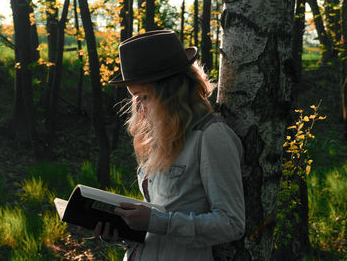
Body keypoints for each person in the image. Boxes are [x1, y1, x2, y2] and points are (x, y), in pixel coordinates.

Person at [94, 30, 245, 261]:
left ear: (170, 91)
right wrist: (121, 232)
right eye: (135, 98)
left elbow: (231, 223)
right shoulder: (163, 136)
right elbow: (156, 227)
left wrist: (156, 222)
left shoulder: (211, 136)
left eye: (143, 96)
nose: (139, 108)